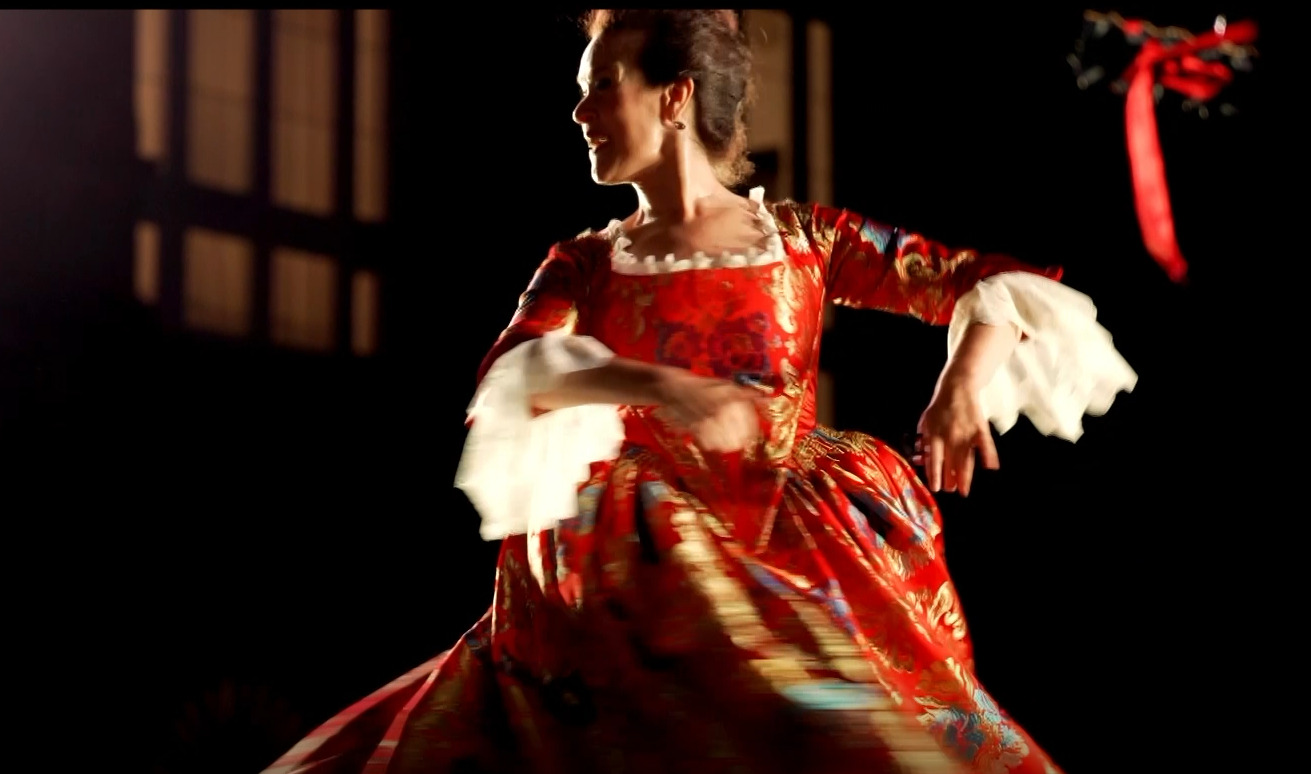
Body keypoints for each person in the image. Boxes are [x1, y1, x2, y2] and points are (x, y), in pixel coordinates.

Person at [261, 9, 1137, 774]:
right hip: (642, 572)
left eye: (601, 87)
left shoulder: (803, 240)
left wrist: (960, 386)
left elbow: (989, 282)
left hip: (792, 543)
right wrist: (652, 382)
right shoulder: (585, 262)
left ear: (673, 97)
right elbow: (514, 372)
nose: (579, 112)